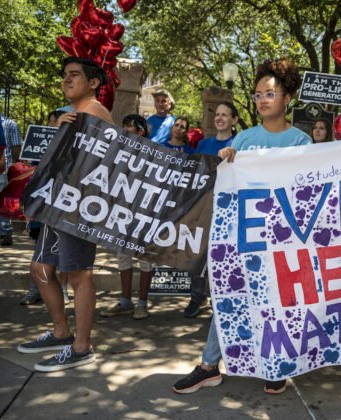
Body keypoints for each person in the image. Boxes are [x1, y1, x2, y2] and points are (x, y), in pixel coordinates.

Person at [173, 57, 311, 396]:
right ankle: (209, 366)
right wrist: (227, 161)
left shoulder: (301, 143)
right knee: (228, 298)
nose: (263, 100)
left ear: (287, 98)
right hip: (241, 238)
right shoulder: (244, 140)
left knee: (277, 304)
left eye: (270, 93)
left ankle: (275, 364)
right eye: (257, 94)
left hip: (281, 240)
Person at [17, 56, 113, 372]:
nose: (66, 79)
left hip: (80, 208)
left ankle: (82, 347)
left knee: (79, 273)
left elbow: (107, 162)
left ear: (94, 82)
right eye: (64, 75)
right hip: (58, 204)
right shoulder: (74, 115)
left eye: (74, 75)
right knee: (41, 269)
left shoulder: (95, 112)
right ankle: (61, 332)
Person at [184, 102, 241, 319]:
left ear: (234, 120)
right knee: (197, 254)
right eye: (217, 114)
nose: (220, 118)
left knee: (222, 256)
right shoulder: (204, 144)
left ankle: (223, 302)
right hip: (202, 206)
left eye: (225, 115)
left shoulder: (239, 144)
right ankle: (197, 297)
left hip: (228, 209)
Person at [100, 114, 154, 320]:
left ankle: (142, 303)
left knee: (145, 258)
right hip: (121, 210)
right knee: (122, 256)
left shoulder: (154, 153)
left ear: (140, 130)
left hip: (145, 213)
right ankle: (125, 302)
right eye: (124, 126)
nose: (125, 130)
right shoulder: (118, 151)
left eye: (129, 126)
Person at [21, 110, 69, 306]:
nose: (53, 125)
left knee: (62, 249)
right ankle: (36, 289)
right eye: (51, 122)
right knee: (39, 251)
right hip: (39, 204)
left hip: (59, 206)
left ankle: (63, 289)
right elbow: (29, 174)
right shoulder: (36, 144)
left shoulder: (69, 147)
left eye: (57, 123)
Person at [0, 90, 21, 246]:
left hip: (3, 167)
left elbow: (16, 148)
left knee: (0, 201)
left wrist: (10, 166)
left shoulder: (9, 123)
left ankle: (5, 232)